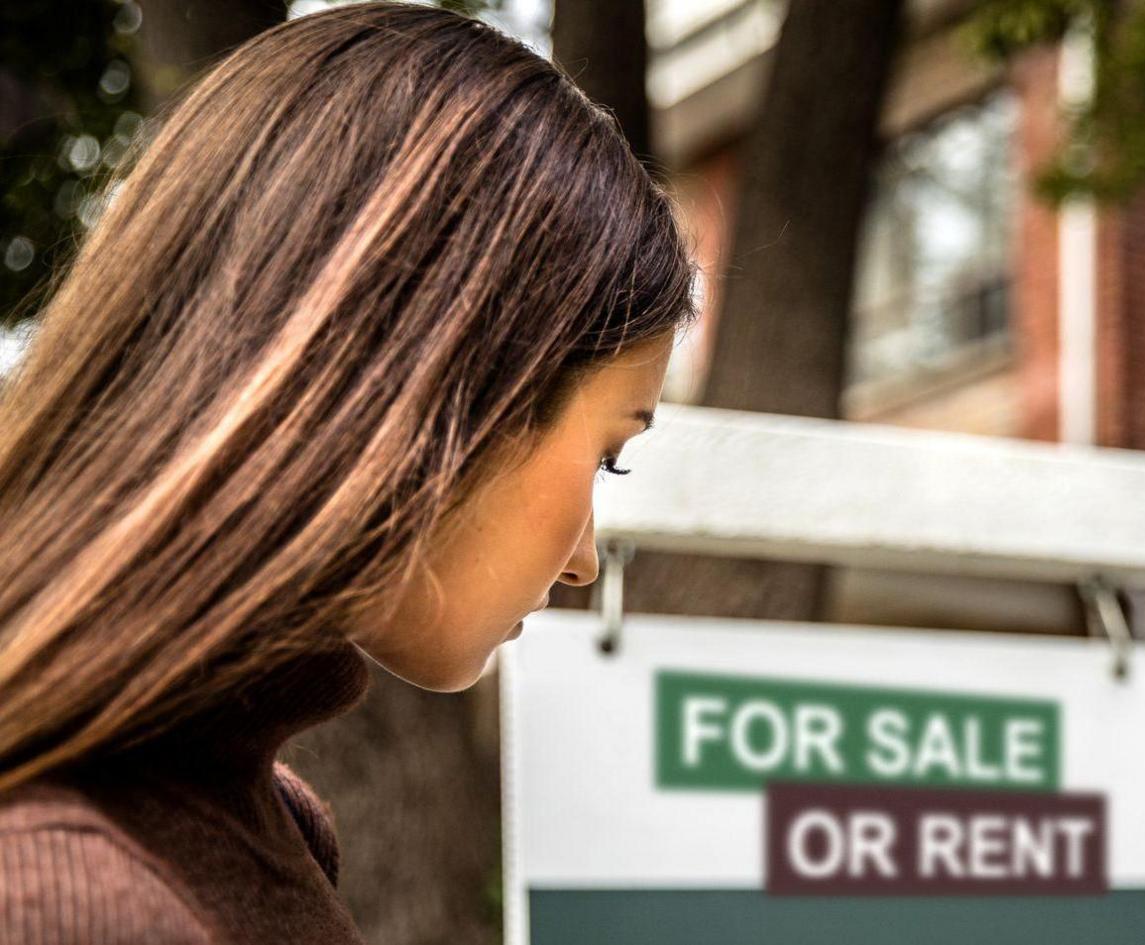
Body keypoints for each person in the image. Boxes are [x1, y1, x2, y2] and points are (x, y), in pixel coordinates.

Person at [0, 3, 695, 942]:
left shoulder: (265, 816)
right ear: (449, 396)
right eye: (607, 454)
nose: (584, 562)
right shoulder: (71, 895)